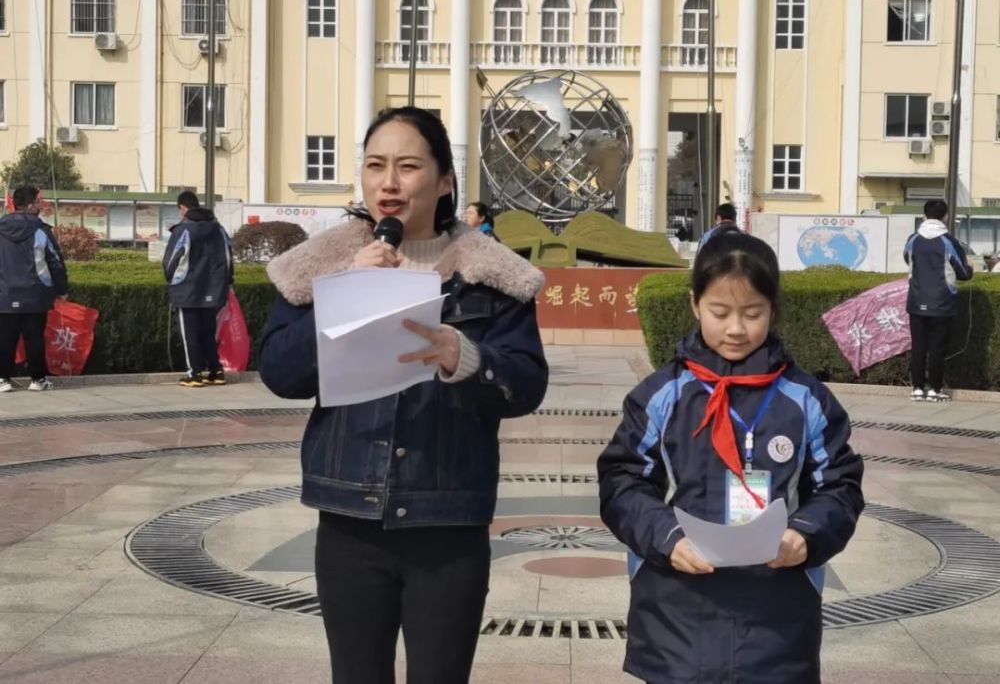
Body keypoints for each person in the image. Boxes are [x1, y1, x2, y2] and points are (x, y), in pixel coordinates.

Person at [259, 107, 548, 684]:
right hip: (349, 519)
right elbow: (279, 373)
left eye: (408, 166)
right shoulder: (321, 268)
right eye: (375, 166)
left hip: (449, 521)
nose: (389, 182)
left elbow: (526, 383)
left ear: (443, 181)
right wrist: (343, 293)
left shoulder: (493, 278)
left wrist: (463, 357)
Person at [598, 230, 864, 684]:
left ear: (773, 310)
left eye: (753, 313)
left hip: (777, 607)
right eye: (720, 312)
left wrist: (805, 534)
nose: (736, 328)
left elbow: (839, 485)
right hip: (676, 601)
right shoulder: (662, 395)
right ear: (695, 305)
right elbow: (622, 481)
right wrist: (667, 537)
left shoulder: (805, 399)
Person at [904, 199, 974, 402]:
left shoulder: (913, 239)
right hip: (942, 303)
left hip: (916, 301)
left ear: (924, 217)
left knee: (918, 346)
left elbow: (908, 259)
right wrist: (970, 270)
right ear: (946, 217)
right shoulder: (949, 241)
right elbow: (962, 273)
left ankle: (917, 388)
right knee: (937, 347)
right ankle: (934, 389)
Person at [0, 186, 68, 393]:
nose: (41, 205)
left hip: (4, 294)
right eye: (39, 202)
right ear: (30, 206)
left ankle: (3, 380)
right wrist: (62, 289)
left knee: (4, 338)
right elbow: (55, 262)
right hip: (35, 294)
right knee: (35, 338)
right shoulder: (41, 231)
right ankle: (38, 380)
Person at [163, 191, 233, 388]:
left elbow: (171, 262)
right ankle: (216, 371)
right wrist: (227, 283)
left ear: (183, 208)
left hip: (188, 290)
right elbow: (229, 258)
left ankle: (193, 374)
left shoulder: (183, 230)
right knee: (208, 333)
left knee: (190, 334)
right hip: (214, 290)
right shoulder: (218, 229)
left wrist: (171, 281)